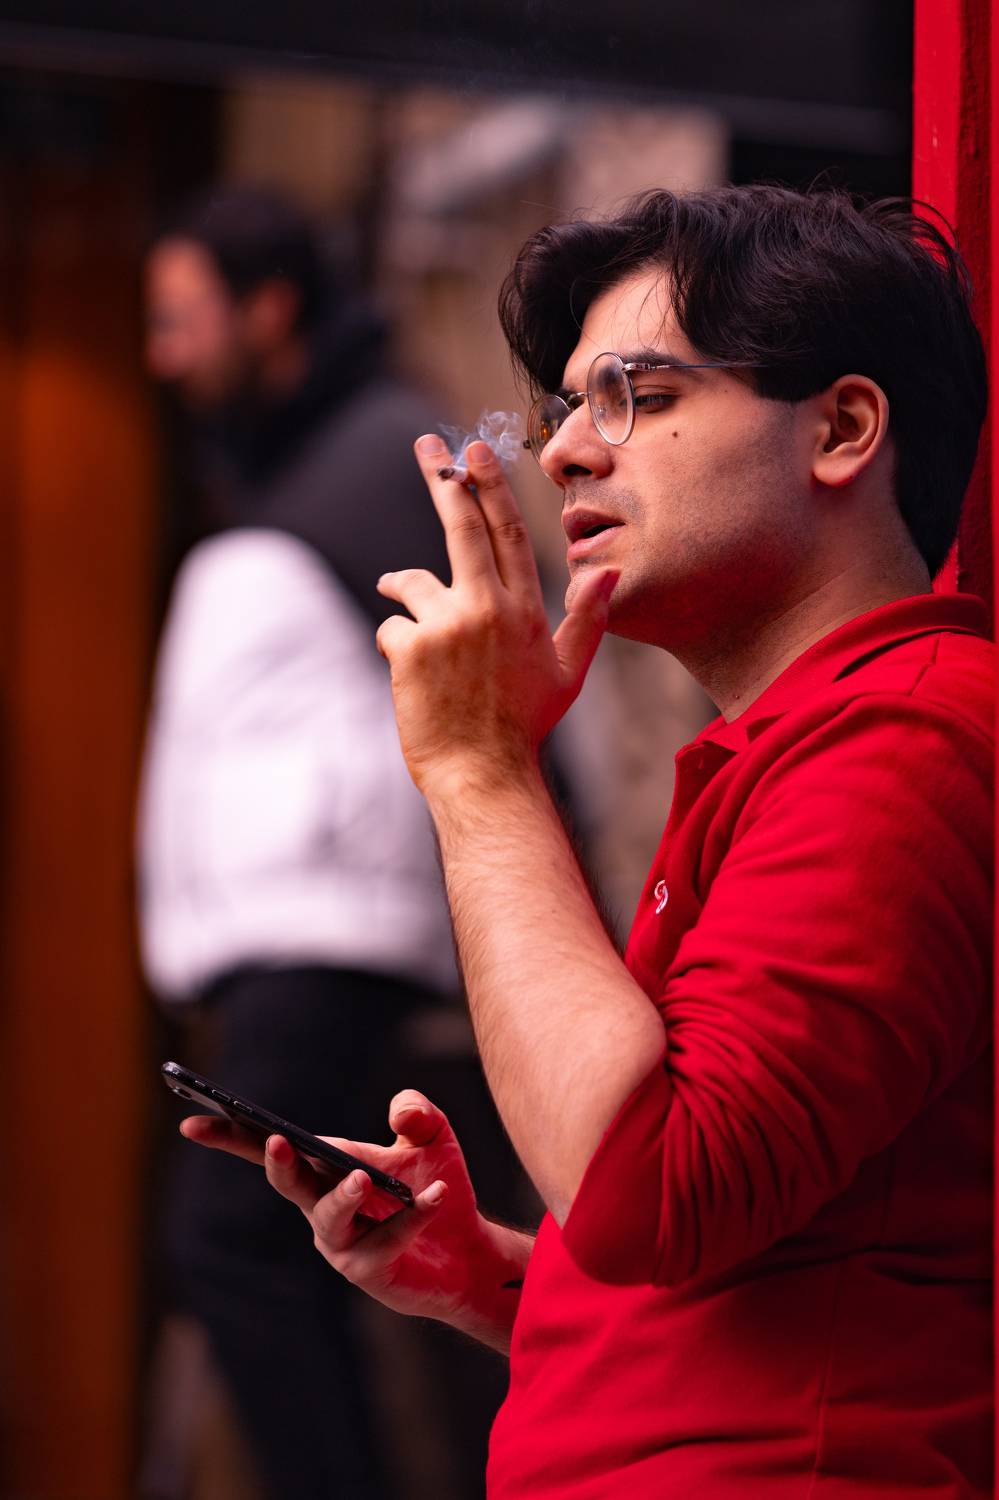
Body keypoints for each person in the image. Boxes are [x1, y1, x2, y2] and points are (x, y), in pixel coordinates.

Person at [182, 185, 993, 1497]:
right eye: (567, 406)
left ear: (843, 429)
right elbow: (736, 1259)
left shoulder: (906, 739)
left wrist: (479, 765)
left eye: (637, 395)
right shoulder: (799, 747)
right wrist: (501, 1278)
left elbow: (645, 1192)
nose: (562, 452)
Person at [138, 186, 460, 1499]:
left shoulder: (374, 448)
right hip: (289, 939)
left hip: (332, 937)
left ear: (268, 310)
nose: (160, 352)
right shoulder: (283, 462)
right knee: (300, 1246)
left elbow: (500, 682)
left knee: (231, 1244)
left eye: (180, 317)